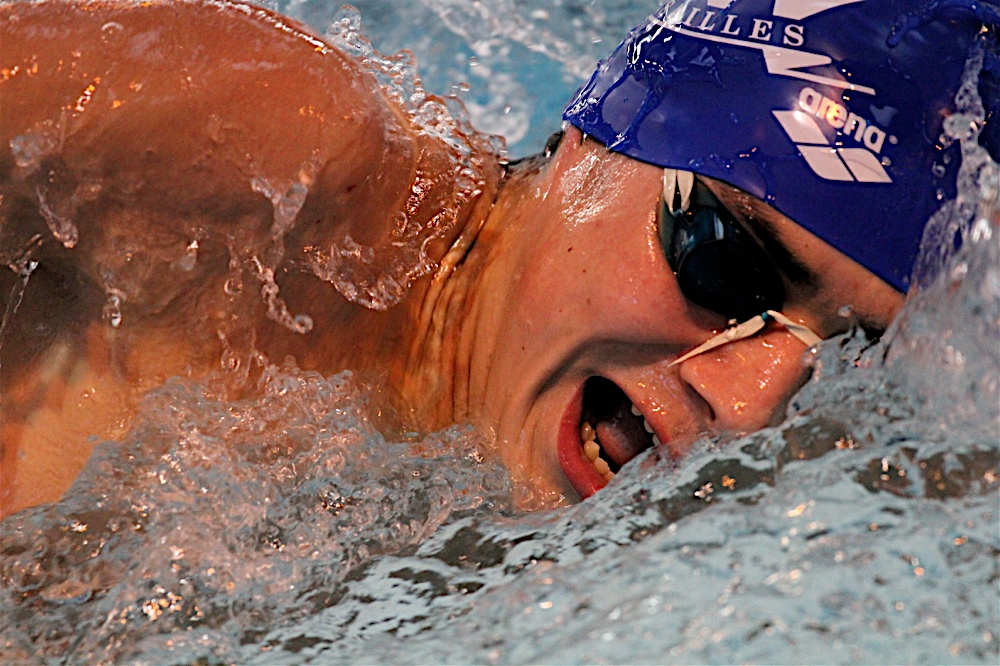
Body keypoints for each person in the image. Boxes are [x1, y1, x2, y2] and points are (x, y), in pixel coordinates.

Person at [0, 0, 993, 516]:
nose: (751, 401)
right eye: (724, 262)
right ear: (595, 139)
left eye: (847, 356)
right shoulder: (276, 163)